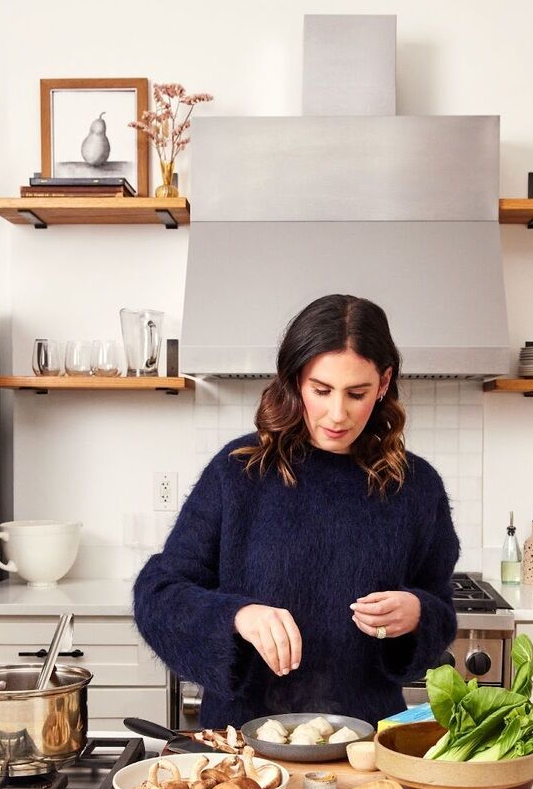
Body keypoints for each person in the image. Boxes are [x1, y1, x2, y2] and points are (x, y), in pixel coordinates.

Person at [134, 294, 459, 728]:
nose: (337, 414)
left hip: (365, 747)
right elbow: (158, 593)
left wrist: (417, 613)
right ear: (294, 382)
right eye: (321, 390)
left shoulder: (416, 487)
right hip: (242, 747)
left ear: (383, 384)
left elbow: (441, 610)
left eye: (357, 393)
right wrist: (238, 616)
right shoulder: (239, 472)